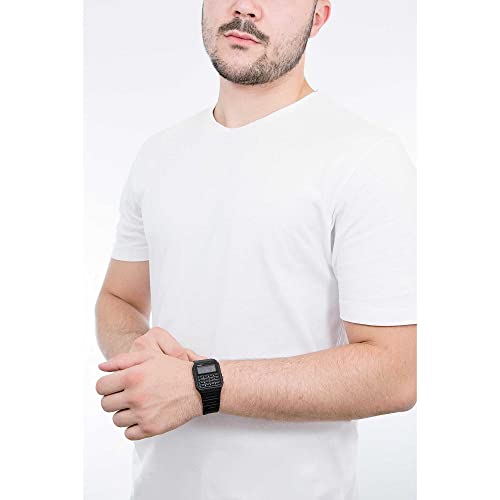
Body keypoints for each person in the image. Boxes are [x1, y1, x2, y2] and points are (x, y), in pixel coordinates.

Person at [94, 1, 416, 499]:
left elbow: (397, 373)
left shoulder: (366, 158)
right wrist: (140, 360)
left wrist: (201, 386)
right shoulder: (159, 154)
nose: (246, 6)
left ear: (318, 17)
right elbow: (119, 299)